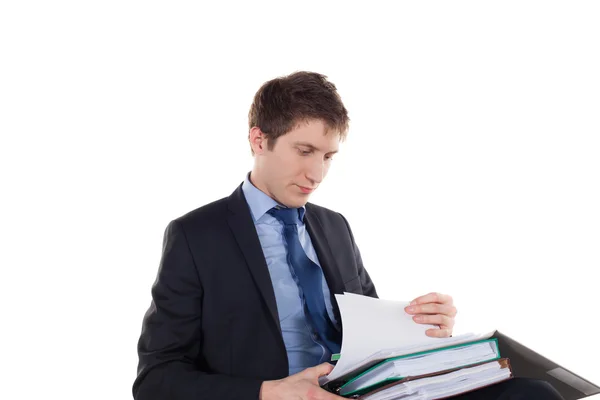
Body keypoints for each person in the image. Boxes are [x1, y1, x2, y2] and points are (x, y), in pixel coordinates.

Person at [133, 71, 562, 399]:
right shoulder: (196, 235)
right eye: (304, 152)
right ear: (258, 140)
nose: (316, 174)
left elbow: (370, 338)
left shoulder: (333, 226)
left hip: (364, 392)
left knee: (534, 392)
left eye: (328, 156)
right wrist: (269, 392)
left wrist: (423, 328)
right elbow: (156, 378)